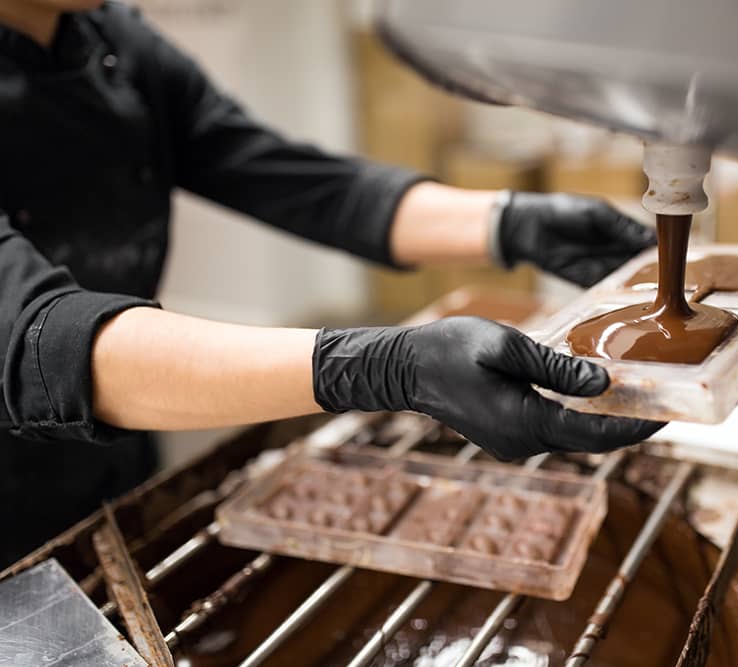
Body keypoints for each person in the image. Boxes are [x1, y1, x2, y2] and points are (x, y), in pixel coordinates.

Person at [0, 0, 663, 567]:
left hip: (120, 467)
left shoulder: (109, 38)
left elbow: (289, 177)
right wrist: (386, 367)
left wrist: (507, 221)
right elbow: (39, 341)